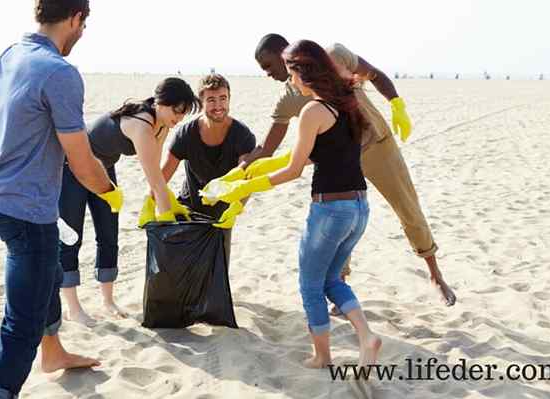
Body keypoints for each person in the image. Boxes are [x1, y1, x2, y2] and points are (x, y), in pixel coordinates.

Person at [205, 39, 381, 368]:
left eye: (290, 74)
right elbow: (341, 147)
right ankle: (367, 337)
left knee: (310, 283)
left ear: (303, 72)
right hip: (359, 207)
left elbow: (293, 169)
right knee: (332, 280)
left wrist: (244, 188)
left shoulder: (312, 111)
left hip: (330, 210)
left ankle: (322, 356)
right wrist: (250, 169)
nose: (289, 81)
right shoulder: (345, 104)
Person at [251, 34, 456, 307]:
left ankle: (435, 275)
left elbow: (374, 75)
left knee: (408, 209)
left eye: (268, 66)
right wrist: (242, 168)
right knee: (339, 219)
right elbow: (268, 146)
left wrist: (396, 103)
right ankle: (341, 287)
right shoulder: (289, 97)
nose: (267, 74)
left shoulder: (335, 55)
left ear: (284, 54)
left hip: (378, 145)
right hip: (340, 158)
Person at [0, 1, 123, 396]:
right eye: (83, 25)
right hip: (26, 211)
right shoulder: (60, 72)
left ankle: (54, 352)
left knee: (47, 277)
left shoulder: (7, 55)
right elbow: (82, 162)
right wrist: (110, 192)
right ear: (77, 19)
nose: (82, 33)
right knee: (22, 320)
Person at [59, 77, 200, 325]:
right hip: (72, 167)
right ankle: (73, 307)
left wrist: (161, 201)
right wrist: (167, 222)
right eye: (176, 111)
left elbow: (154, 173)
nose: (179, 118)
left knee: (108, 234)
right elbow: (155, 180)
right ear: (161, 102)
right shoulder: (141, 126)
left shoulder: (162, 125)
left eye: (184, 113)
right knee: (72, 236)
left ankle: (108, 301)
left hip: (103, 169)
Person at [157, 74, 256, 257]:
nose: (218, 106)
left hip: (223, 217)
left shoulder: (242, 135)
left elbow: (247, 179)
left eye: (223, 98)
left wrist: (236, 208)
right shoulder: (186, 134)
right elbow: (162, 177)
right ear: (201, 102)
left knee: (217, 276)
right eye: (211, 100)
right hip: (189, 212)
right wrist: (152, 202)